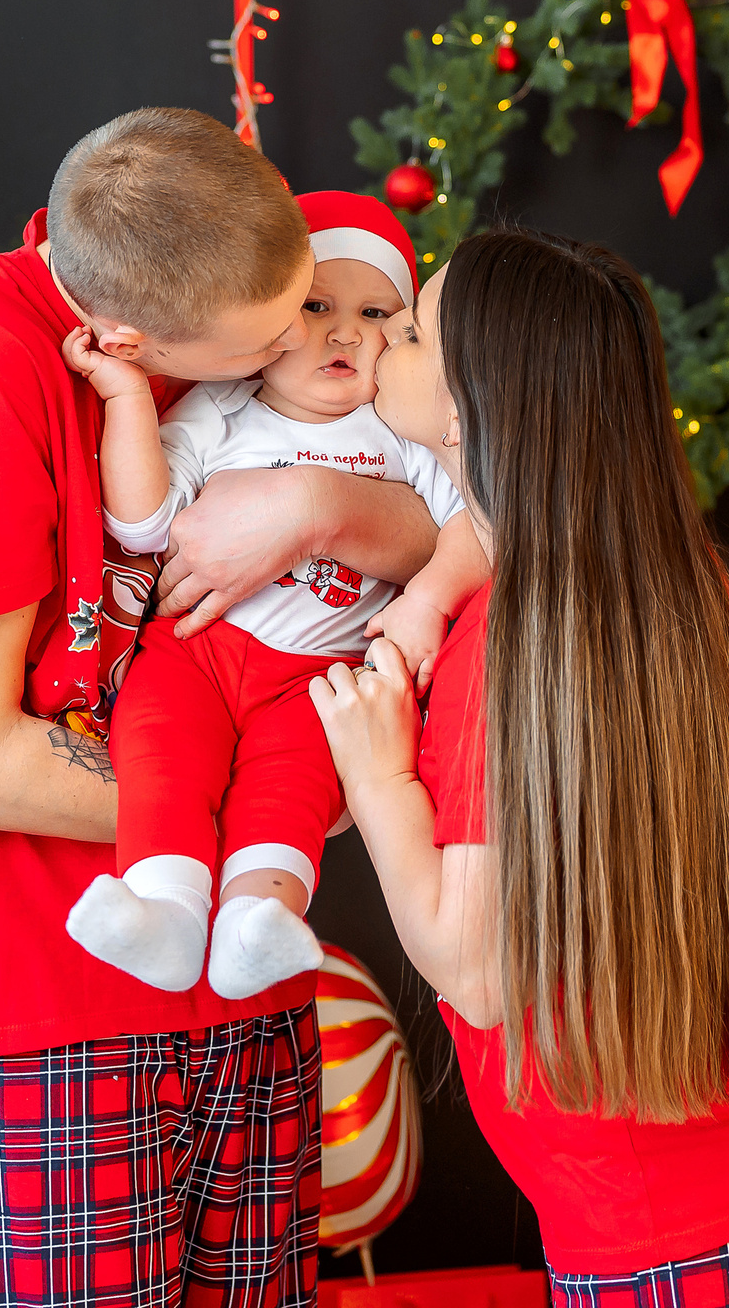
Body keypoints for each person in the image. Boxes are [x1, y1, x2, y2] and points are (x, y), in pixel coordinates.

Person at [0, 109, 440, 1308]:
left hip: (250, 982)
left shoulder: (216, 275)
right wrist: (281, 811)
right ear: (126, 334)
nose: (310, 346)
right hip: (49, 1009)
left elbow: (450, 515)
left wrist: (316, 500)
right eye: (266, 338)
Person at [311, 227, 729, 1308]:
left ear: (473, 407)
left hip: (654, 1236)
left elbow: (473, 971)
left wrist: (377, 780)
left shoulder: (500, 658)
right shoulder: (671, 581)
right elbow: (496, 519)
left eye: (412, 332)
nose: (380, 343)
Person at [60, 190, 485, 999]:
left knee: (291, 789)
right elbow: (144, 522)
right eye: (318, 304)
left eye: (378, 314)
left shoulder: (401, 434)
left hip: (319, 673)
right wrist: (124, 402)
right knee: (160, 755)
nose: (345, 331)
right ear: (270, 325)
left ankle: (262, 918)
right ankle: (166, 909)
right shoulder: (222, 411)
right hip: (197, 652)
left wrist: (429, 597)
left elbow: (475, 525)